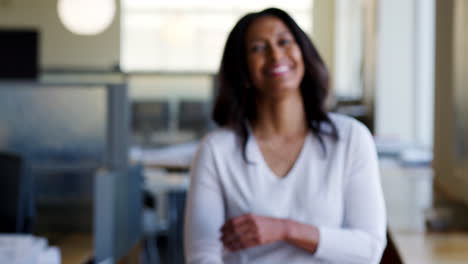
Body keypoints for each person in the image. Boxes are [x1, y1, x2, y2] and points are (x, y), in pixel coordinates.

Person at [184, 7, 386, 264]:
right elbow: (202, 255)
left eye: (284, 41)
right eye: (258, 48)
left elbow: (369, 249)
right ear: (243, 70)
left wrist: (285, 229)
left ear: (302, 52)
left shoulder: (350, 139)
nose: (275, 55)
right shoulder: (216, 150)